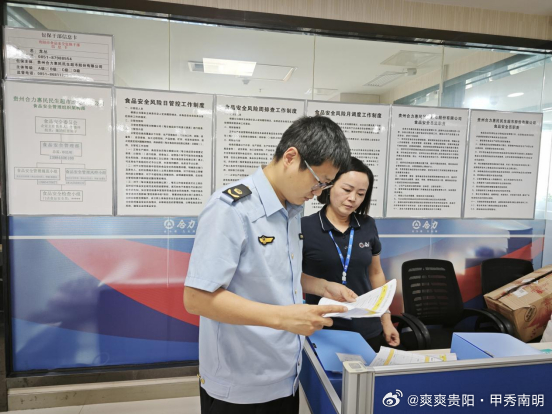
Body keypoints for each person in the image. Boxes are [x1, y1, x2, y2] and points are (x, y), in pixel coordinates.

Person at [184, 116, 358, 414]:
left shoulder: (291, 208)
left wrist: (321, 286)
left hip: (284, 374)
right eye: (318, 182)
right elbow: (197, 298)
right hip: (240, 384)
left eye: (326, 186)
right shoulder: (231, 210)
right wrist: (284, 318)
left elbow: (274, 271)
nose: (318, 193)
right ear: (291, 157)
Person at [302, 157, 400, 352]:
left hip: (366, 328)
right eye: (347, 190)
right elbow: (292, 276)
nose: (353, 198)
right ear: (329, 186)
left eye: (361, 193)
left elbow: (375, 273)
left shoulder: (367, 225)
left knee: (365, 381)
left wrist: (386, 319)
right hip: (323, 328)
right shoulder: (305, 227)